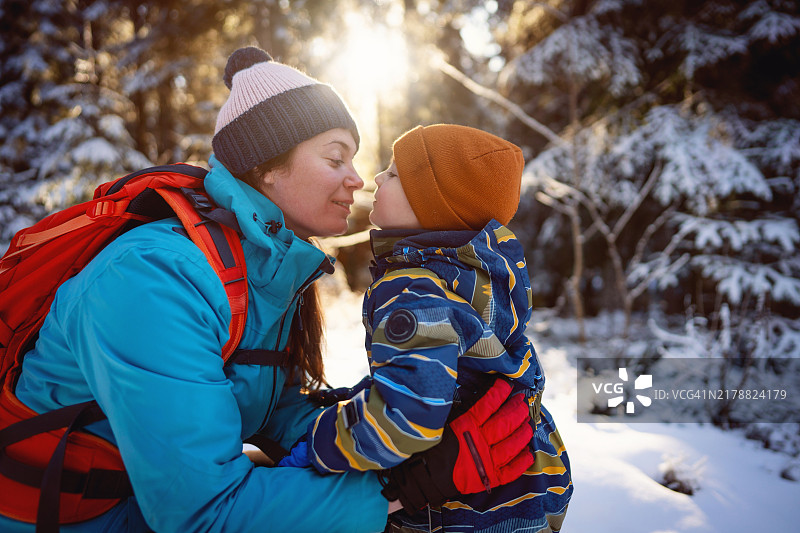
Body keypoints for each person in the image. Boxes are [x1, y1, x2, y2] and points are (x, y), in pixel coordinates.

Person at [0, 49, 531, 532]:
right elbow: (203, 515)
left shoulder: (262, 275)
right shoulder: (155, 278)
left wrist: (397, 435)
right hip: (70, 518)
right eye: (335, 157)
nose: (358, 180)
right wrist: (404, 489)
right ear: (268, 166)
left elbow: (275, 412)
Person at [295, 124, 574, 532]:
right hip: (527, 488)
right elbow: (447, 378)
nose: (376, 178)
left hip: (456, 511)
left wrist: (321, 441)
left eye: (392, 174)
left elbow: (409, 413)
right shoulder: (483, 280)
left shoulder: (411, 288)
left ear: (431, 205)